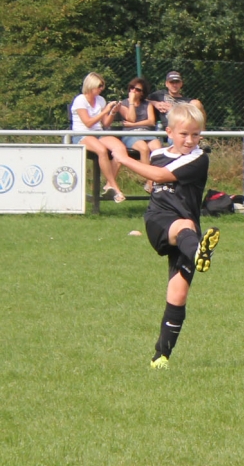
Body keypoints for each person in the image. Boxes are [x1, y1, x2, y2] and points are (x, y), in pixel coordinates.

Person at [105, 103, 220, 369]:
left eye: (195, 134)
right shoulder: (157, 154)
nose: (190, 140)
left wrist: (124, 159)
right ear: (169, 132)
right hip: (159, 222)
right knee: (184, 225)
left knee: (178, 295)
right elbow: (154, 176)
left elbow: (159, 175)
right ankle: (200, 252)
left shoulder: (198, 158)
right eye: (184, 134)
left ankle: (161, 356)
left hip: (188, 234)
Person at [70, 72, 126, 203]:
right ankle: (115, 188)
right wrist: (105, 110)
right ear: (91, 86)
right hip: (82, 134)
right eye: (99, 86)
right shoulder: (80, 100)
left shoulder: (100, 100)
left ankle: (109, 185)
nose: (101, 89)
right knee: (101, 150)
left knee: (120, 149)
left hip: (98, 133)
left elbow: (106, 123)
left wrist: (112, 112)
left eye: (102, 86)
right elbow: (88, 123)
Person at [114, 77, 161, 192]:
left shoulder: (147, 104)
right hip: (130, 134)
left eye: (138, 90)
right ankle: (150, 182)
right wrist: (131, 102)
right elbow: (131, 118)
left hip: (146, 132)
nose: (134, 91)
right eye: (132, 88)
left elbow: (151, 121)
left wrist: (134, 124)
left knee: (158, 149)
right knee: (144, 149)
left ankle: (158, 179)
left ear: (142, 93)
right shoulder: (123, 104)